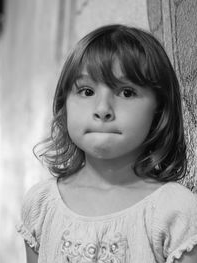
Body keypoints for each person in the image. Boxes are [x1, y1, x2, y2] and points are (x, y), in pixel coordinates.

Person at [16, 24, 197, 263]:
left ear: (159, 109)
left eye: (127, 92)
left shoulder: (176, 211)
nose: (102, 110)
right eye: (87, 91)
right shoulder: (41, 204)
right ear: (64, 104)